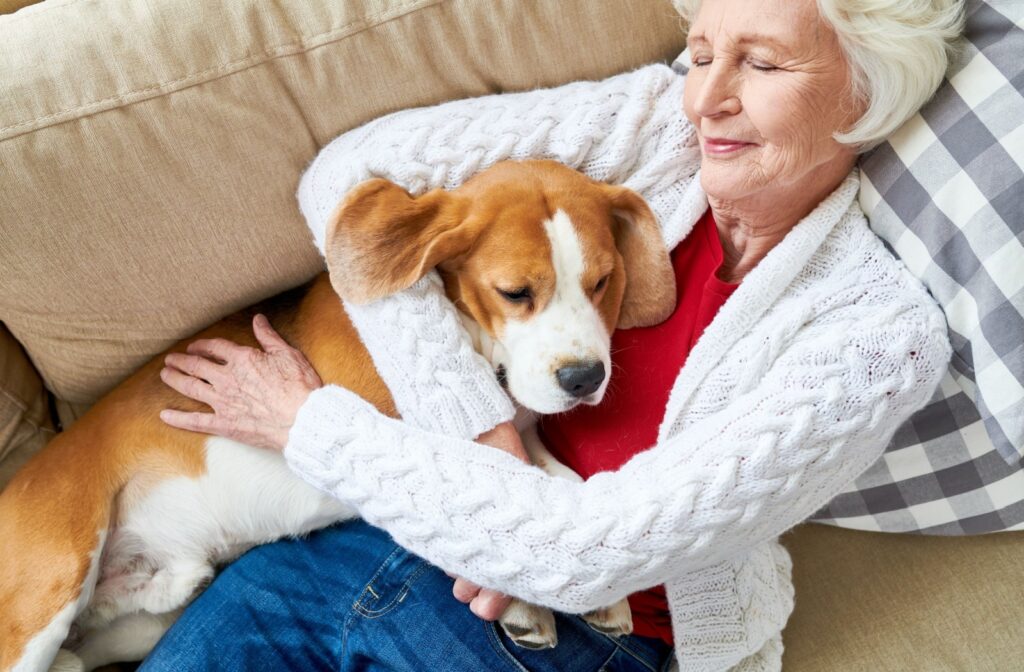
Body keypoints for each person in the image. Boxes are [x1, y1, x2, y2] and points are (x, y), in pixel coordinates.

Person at [143, 0, 963, 669]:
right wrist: (483, 433)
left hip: (582, 635)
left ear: (867, 90)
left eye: (762, 62)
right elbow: (350, 182)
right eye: (704, 51)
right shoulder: (653, 128)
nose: (705, 96)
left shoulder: (877, 338)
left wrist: (310, 426)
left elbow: (589, 554)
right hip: (369, 531)